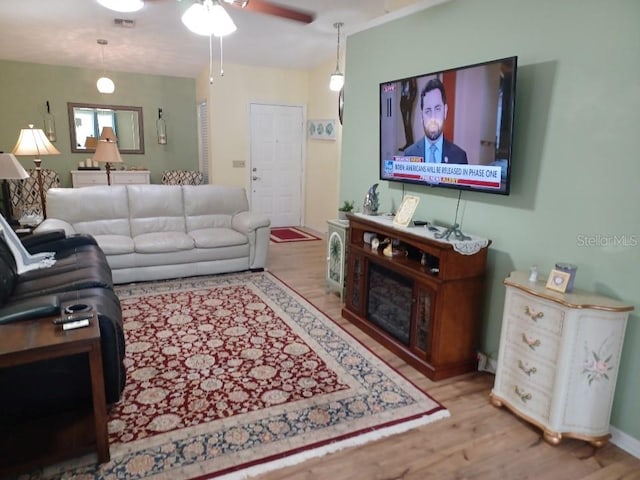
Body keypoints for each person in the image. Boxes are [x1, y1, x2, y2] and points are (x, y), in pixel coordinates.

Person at [404, 78, 468, 164]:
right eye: (428, 111)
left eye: (437, 109)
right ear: (421, 116)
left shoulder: (459, 157)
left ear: (445, 112)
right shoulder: (408, 155)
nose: (433, 117)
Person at [398, 77, 417, 151]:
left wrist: (410, 101)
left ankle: (410, 143)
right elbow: (403, 90)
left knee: (407, 123)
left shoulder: (412, 78)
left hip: (408, 102)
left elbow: (414, 90)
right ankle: (408, 143)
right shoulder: (402, 79)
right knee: (405, 124)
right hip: (403, 101)